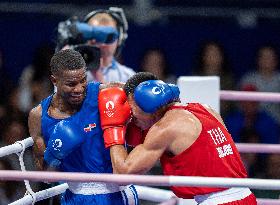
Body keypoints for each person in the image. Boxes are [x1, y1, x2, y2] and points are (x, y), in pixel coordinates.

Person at [98, 72, 257, 204]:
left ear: (148, 103)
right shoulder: (203, 109)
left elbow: (123, 173)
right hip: (246, 197)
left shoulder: (165, 128)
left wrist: (113, 127)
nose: (130, 115)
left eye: (131, 108)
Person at [28, 49, 138, 205]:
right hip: (74, 195)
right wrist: (53, 156)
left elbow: (143, 90)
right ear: (54, 81)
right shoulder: (38, 116)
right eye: (71, 84)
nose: (79, 89)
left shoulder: (102, 94)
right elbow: (45, 176)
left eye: (83, 81)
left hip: (114, 193)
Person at [84, 7, 135, 83]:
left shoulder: (128, 76)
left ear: (119, 39)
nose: (101, 44)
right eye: (95, 36)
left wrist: (98, 76)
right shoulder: (70, 71)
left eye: (109, 37)